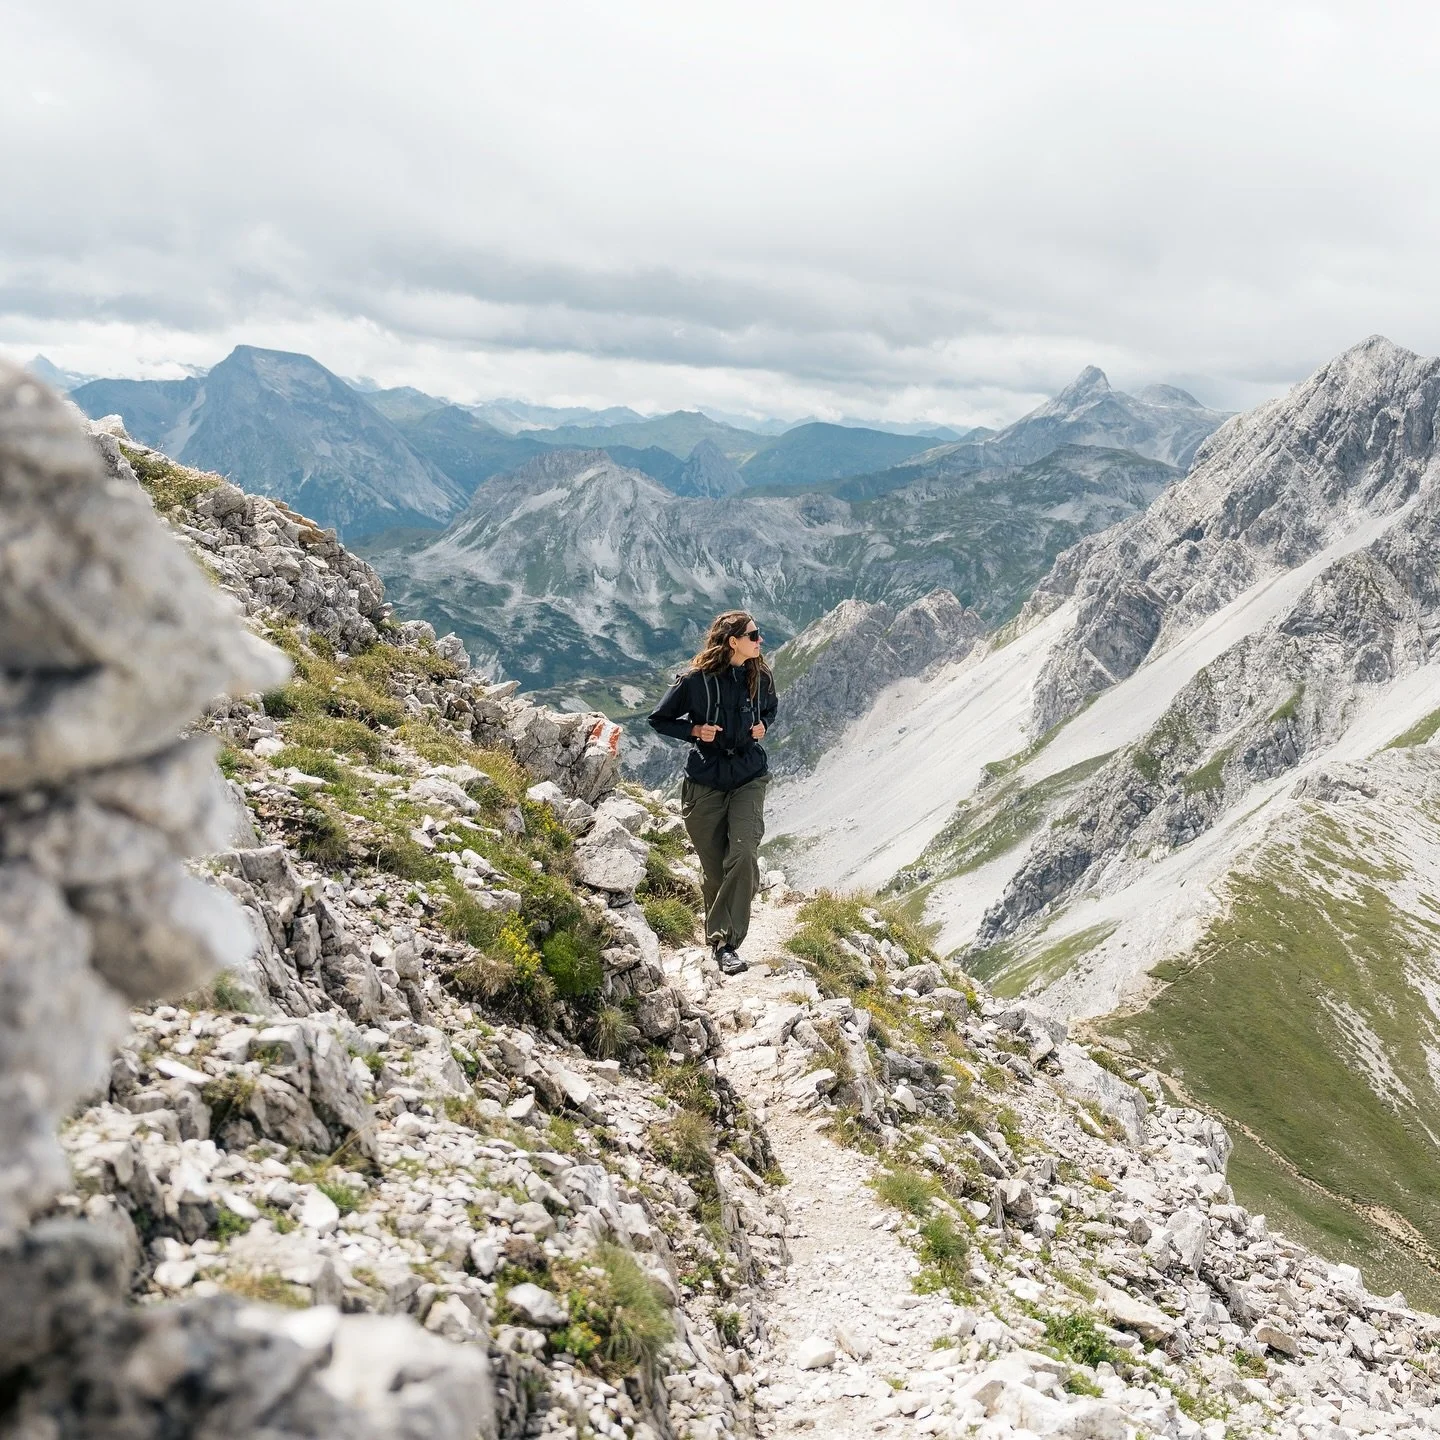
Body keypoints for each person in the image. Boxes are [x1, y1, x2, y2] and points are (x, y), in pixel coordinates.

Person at [648, 610, 778, 975]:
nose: (760, 641)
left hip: (749, 777)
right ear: (733, 641)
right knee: (715, 870)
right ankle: (724, 929)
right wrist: (694, 731)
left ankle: (724, 943)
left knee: (744, 853)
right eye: (753, 635)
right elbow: (659, 719)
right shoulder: (694, 680)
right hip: (705, 781)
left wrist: (763, 726)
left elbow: (770, 709)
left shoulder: (761, 676)